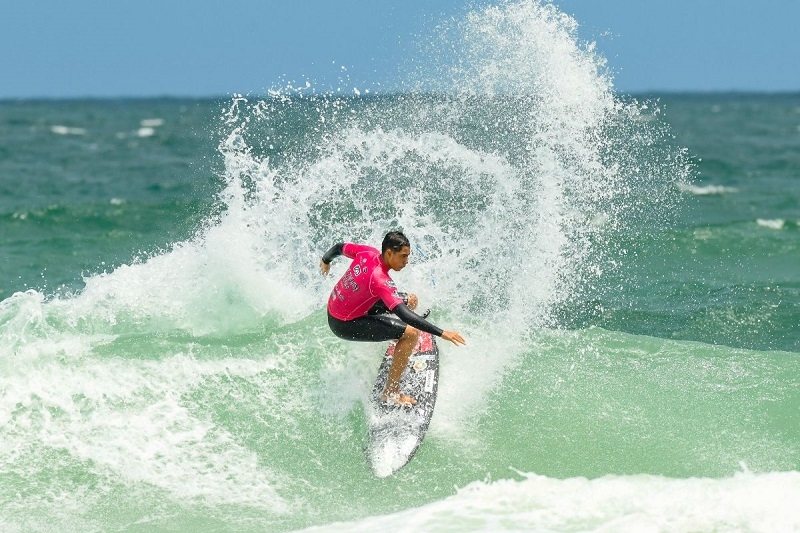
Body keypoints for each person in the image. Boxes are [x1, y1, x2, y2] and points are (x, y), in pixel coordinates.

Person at [320, 231, 466, 407]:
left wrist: (325, 260)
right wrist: (442, 333)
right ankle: (391, 392)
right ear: (389, 253)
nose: (406, 261)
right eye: (403, 256)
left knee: (410, 300)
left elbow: (339, 247)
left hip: (337, 305)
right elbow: (404, 314)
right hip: (344, 323)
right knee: (412, 333)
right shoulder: (380, 280)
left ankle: (397, 337)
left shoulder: (367, 252)